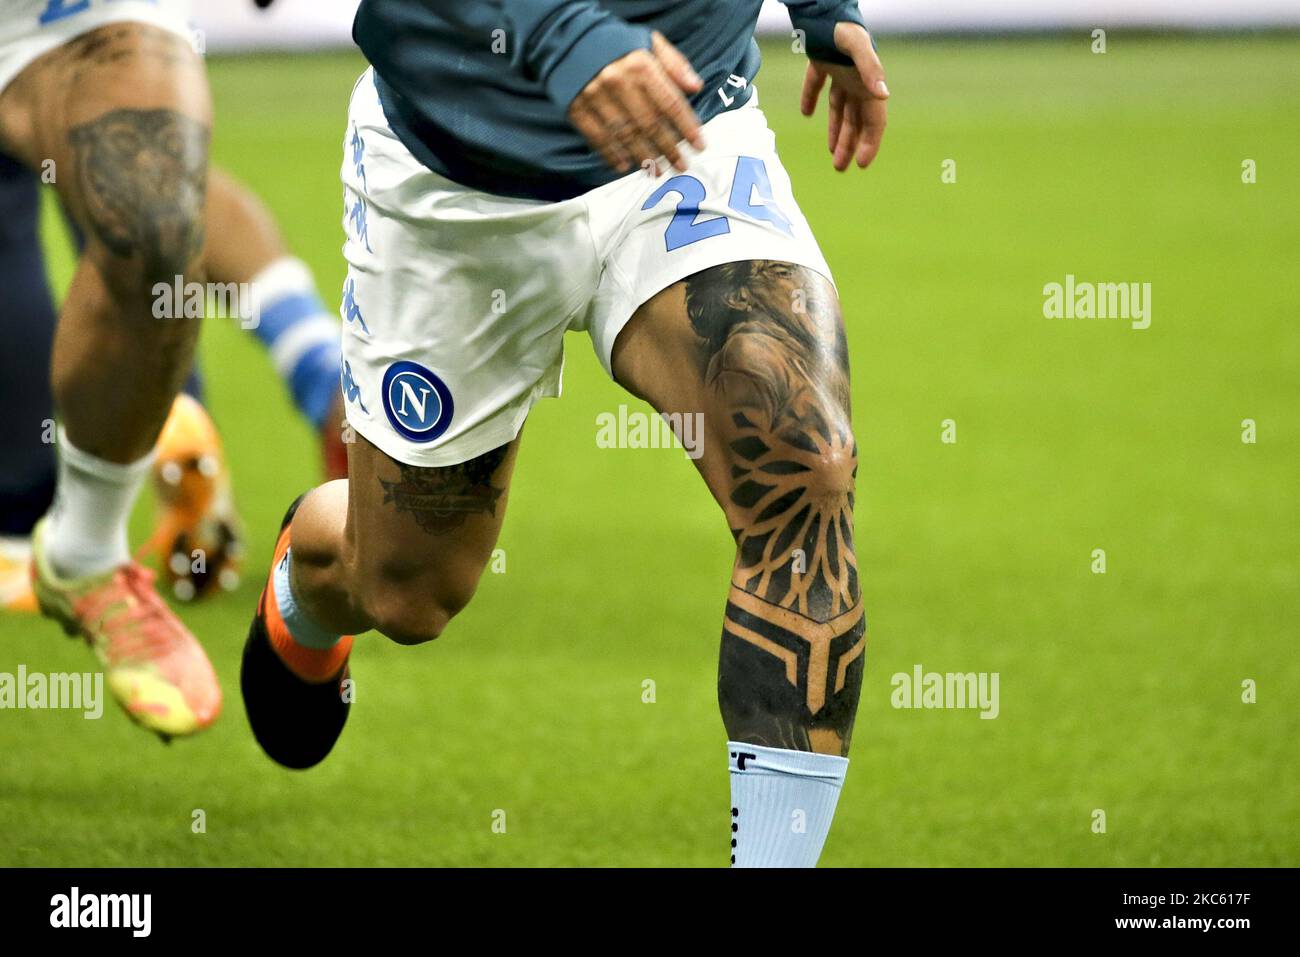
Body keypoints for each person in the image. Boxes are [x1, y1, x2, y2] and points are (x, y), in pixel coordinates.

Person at [243, 0, 887, 868]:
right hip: (459, 171)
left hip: (686, 127)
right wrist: (561, 35)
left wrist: (823, 12)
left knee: (804, 462)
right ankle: (313, 568)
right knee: (409, 590)